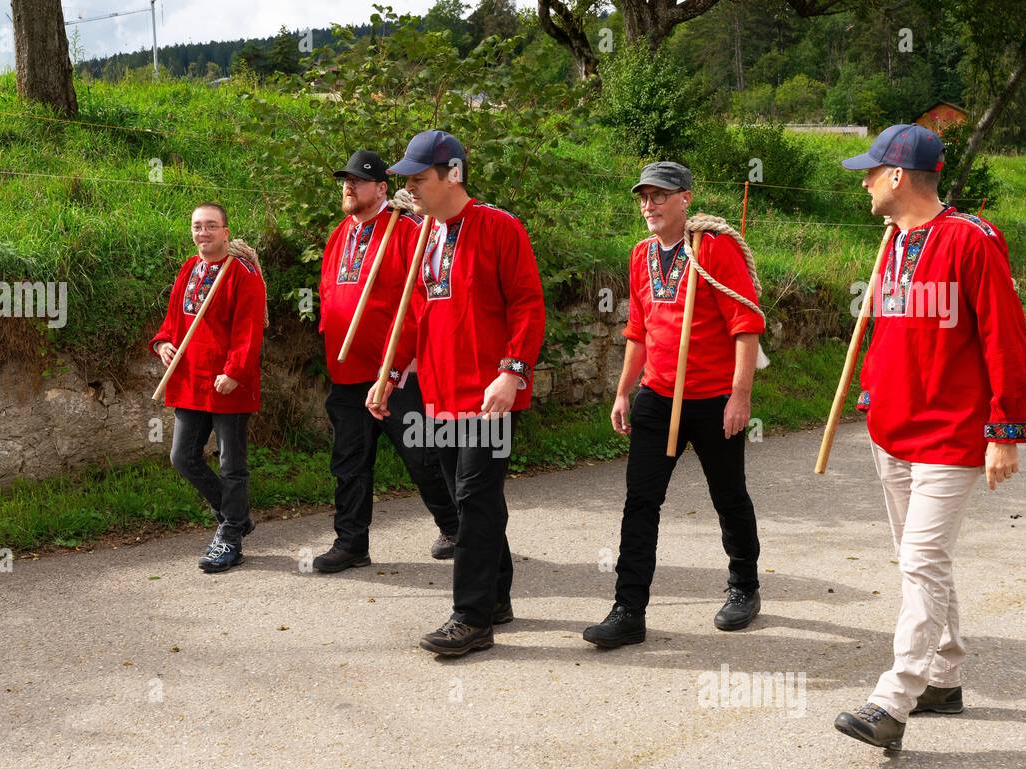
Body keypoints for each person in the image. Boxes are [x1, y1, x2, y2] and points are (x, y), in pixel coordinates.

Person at [832, 124, 1026, 751]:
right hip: (893, 432)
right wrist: (871, 393)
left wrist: (1006, 430)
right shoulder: (891, 242)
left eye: (870, 171)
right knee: (922, 564)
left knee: (921, 562)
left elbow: (1005, 338)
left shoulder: (973, 241)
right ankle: (943, 678)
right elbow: (888, 332)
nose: (862, 181)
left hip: (952, 433)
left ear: (897, 176)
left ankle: (893, 702)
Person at [367, 130, 545, 657]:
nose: (412, 189)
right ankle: (495, 598)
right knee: (473, 503)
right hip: (438, 394)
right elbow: (414, 317)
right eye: (408, 180)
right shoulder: (425, 237)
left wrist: (512, 373)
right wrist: (391, 374)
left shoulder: (500, 228)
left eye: (419, 178)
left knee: (475, 497)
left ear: (454, 175)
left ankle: (469, 617)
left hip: (489, 395)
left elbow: (528, 306)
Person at [583, 161, 766, 650]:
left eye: (660, 196)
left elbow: (746, 324)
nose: (650, 205)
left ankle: (744, 587)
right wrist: (624, 391)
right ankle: (629, 609)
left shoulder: (714, 248)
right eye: (644, 197)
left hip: (712, 400)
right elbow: (638, 331)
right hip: (658, 397)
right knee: (640, 503)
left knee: (728, 496)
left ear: (685, 198)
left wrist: (740, 396)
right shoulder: (639, 254)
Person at [312, 150, 459, 573]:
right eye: (345, 180)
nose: (348, 186)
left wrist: (404, 362)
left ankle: (457, 527)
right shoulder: (340, 233)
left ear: (380, 189)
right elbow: (327, 288)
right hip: (348, 373)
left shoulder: (406, 228)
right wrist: (331, 328)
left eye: (358, 181)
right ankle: (351, 543)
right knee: (349, 462)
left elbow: (425, 289)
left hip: (398, 373)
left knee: (423, 455)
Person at [150, 202, 266, 573]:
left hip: (227, 382)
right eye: (197, 226)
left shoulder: (243, 273)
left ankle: (230, 533)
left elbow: (249, 330)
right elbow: (173, 319)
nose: (203, 233)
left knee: (231, 464)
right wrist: (164, 341)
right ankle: (236, 515)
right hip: (190, 379)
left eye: (211, 226)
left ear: (226, 232)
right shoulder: (190, 268)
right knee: (182, 457)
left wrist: (234, 370)